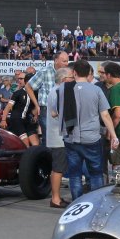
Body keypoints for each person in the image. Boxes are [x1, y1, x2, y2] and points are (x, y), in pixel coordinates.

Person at [57, 60, 116, 200]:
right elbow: (105, 115)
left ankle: (77, 202)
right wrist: (113, 135)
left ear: (74, 72)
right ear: (89, 73)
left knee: (74, 174)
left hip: (71, 136)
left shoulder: (63, 89)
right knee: (96, 173)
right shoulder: (96, 90)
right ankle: (95, 202)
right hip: (91, 137)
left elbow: (56, 111)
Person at [42, 54, 73, 206]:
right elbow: (59, 113)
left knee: (58, 168)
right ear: (63, 79)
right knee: (58, 168)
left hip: (57, 135)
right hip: (58, 137)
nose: (73, 80)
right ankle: (55, 198)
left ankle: (56, 197)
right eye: (71, 77)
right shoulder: (58, 92)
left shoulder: (56, 91)